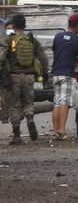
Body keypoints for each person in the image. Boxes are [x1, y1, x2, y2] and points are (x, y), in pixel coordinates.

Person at [0, 14, 48, 144]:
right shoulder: (32, 40)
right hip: (29, 77)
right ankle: (30, 119)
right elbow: (44, 58)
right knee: (28, 102)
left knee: (14, 105)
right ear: (25, 26)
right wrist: (45, 75)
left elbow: (2, 57)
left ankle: (16, 136)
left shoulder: (7, 40)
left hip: (12, 77)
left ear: (13, 26)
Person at [51, 14, 78, 141]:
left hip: (55, 73)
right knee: (65, 102)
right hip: (67, 74)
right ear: (77, 26)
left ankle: (56, 131)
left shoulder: (58, 36)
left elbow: (57, 51)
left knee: (57, 102)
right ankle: (62, 130)